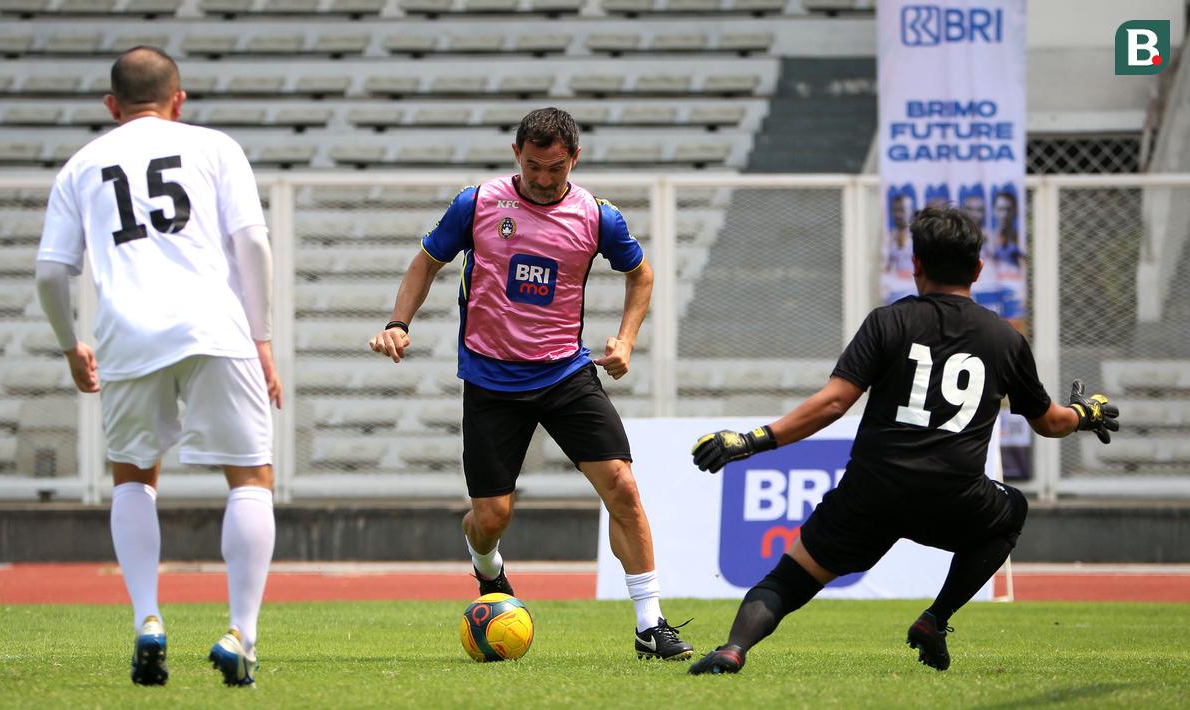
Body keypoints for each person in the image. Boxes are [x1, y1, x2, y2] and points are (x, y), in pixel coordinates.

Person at [686, 206, 1119, 675]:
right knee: (1011, 511)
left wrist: (751, 440)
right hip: (953, 496)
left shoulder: (888, 322)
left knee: (788, 579)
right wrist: (1085, 413)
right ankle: (936, 618)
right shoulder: (1004, 339)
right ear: (977, 269)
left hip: (872, 493)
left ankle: (734, 649)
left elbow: (833, 403)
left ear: (916, 264)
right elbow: (1050, 422)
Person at [369, 107, 694, 661]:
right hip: (490, 379)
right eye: (534, 166)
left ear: (575, 159)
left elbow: (640, 275)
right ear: (516, 154)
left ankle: (650, 624)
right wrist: (399, 323)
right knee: (491, 517)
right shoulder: (477, 203)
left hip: (565, 374)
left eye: (556, 168)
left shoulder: (598, 217)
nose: (544, 179)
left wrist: (625, 341)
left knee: (622, 486)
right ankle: (487, 565)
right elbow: (425, 263)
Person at [35, 46, 281, 688]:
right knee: (250, 477)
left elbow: (51, 272)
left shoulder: (81, 165)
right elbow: (252, 244)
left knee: (133, 477)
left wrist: (71, 345)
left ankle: (148, 617)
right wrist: (261, 339)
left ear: (111, 105)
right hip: (213, 326)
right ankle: (241, 634)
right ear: (179, 99)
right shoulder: (215, 146)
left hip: (127, 335)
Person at [990, 189, 1022, 276]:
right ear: (994, 211)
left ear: (1014, 211)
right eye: (1000, 209)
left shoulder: (1019, 238)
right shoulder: (988, 238)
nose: (1004, 215)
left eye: (1008, 209)